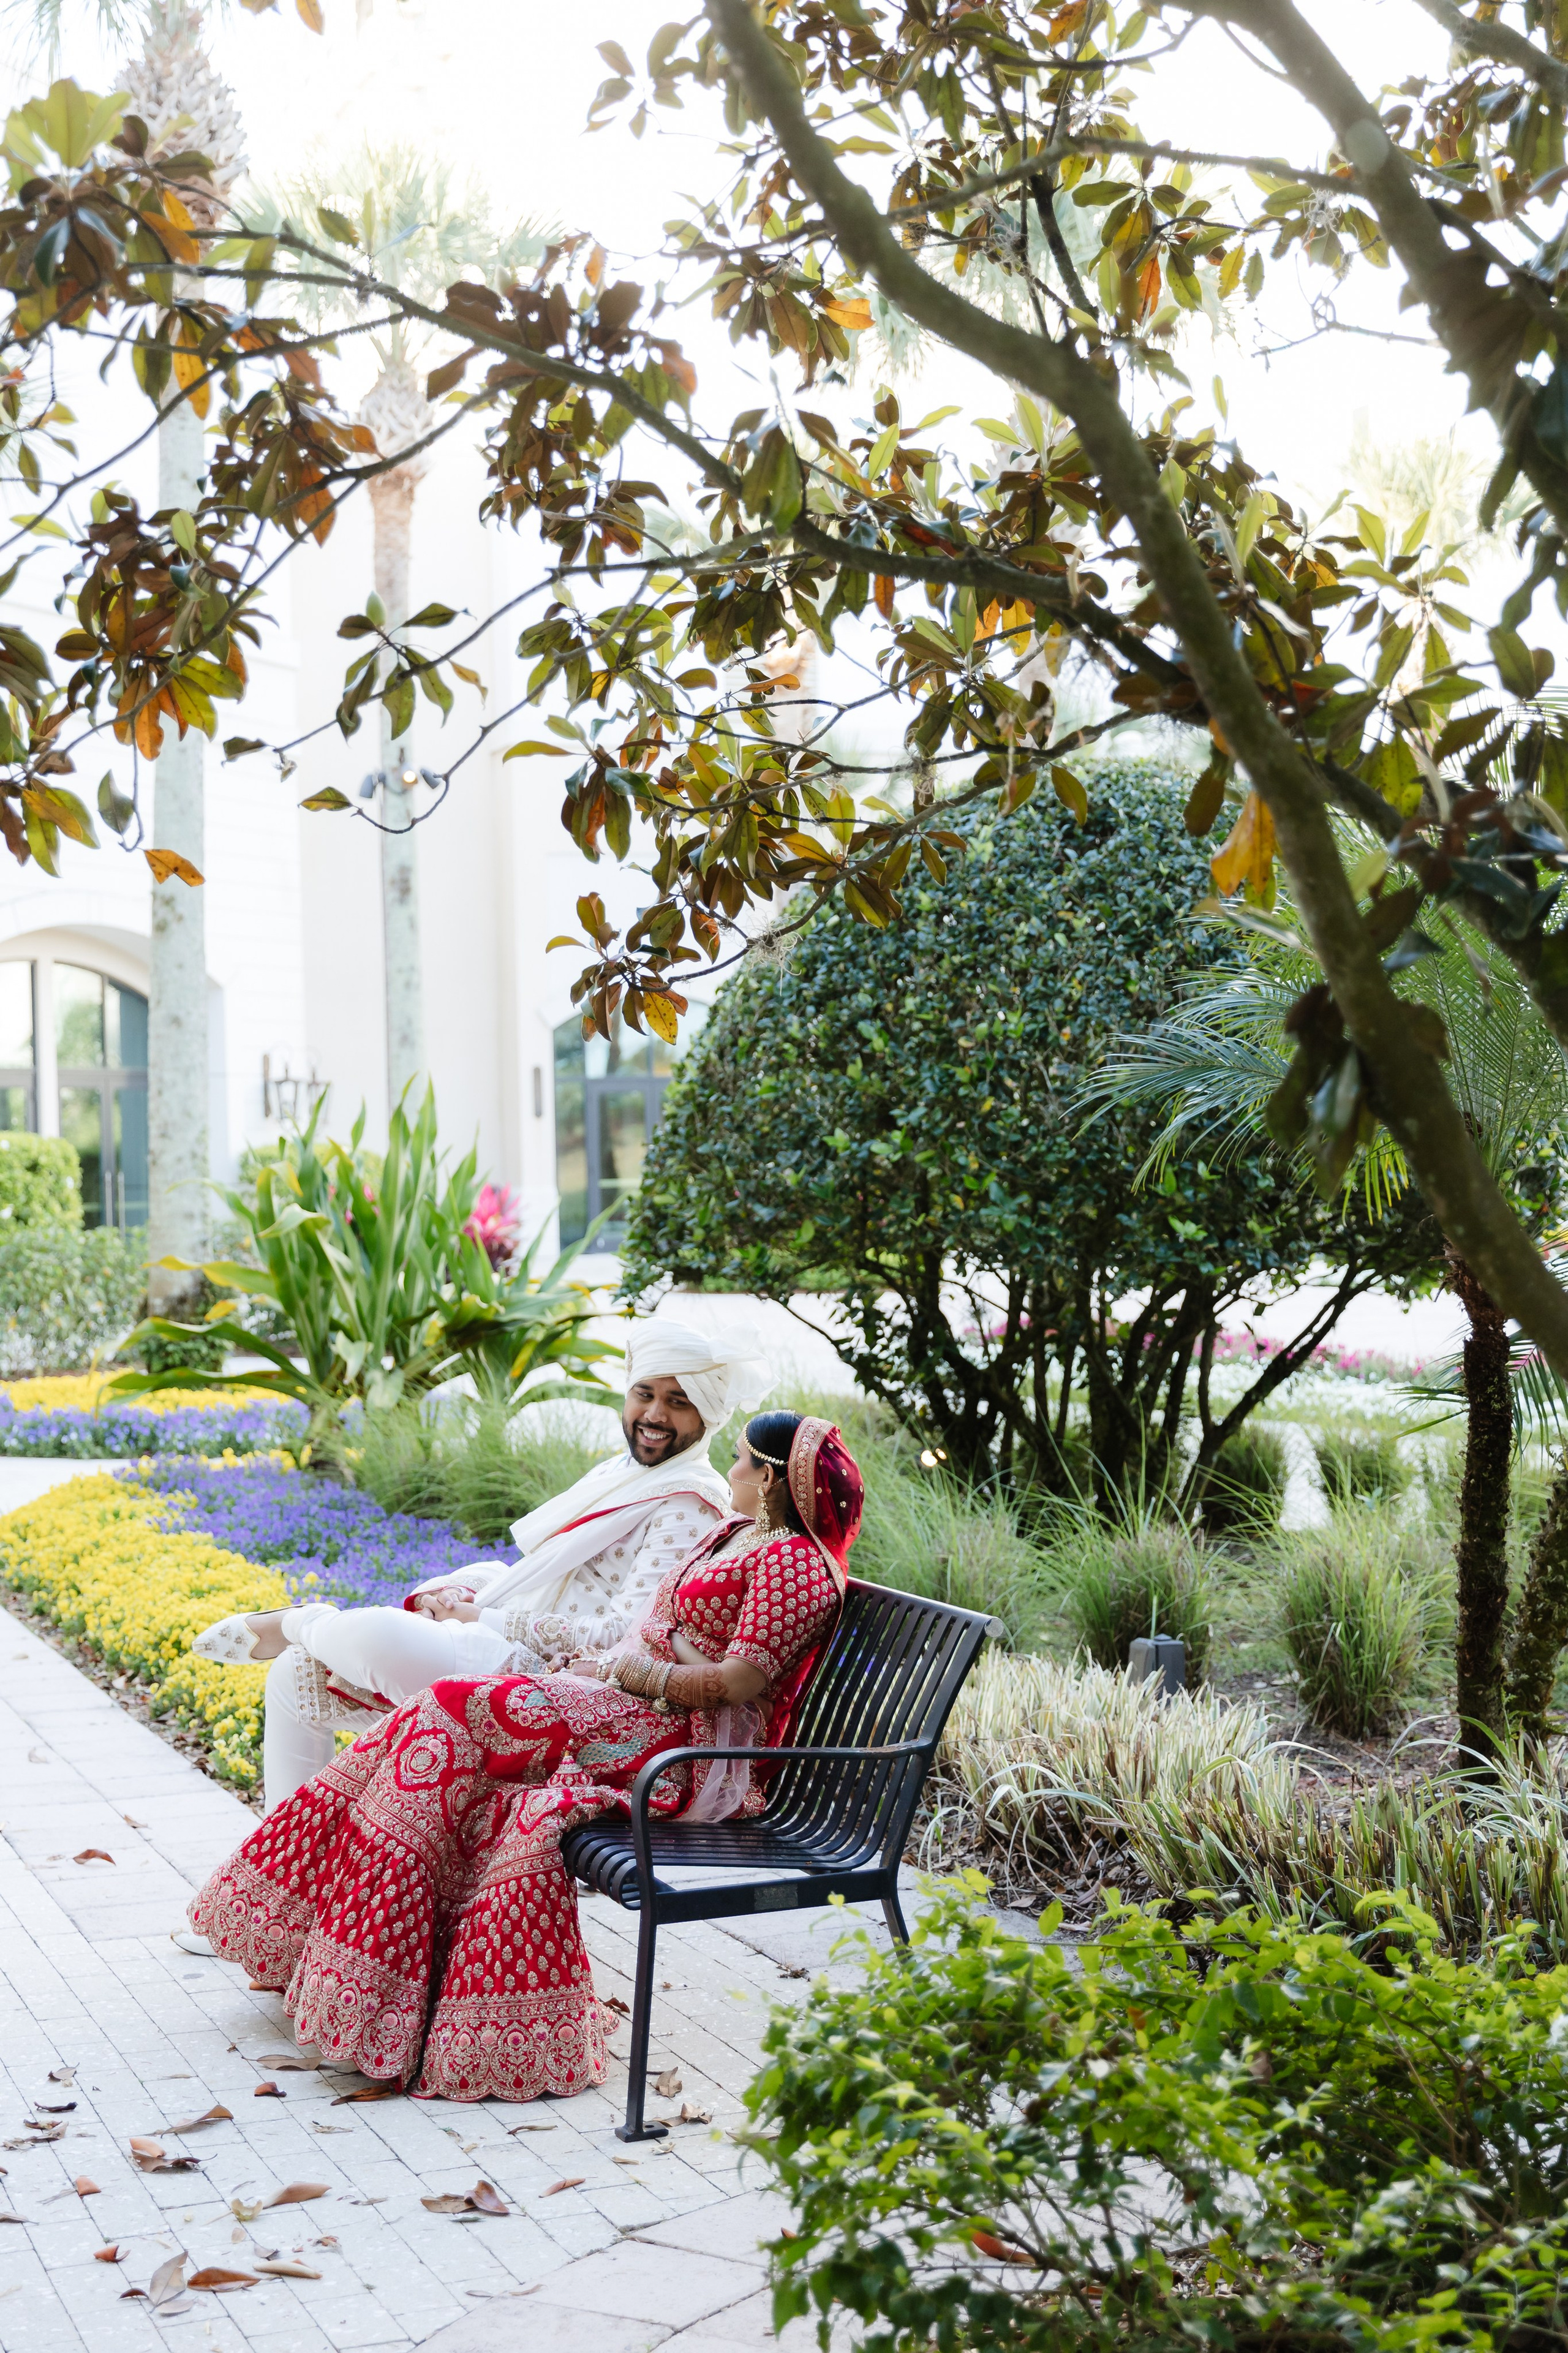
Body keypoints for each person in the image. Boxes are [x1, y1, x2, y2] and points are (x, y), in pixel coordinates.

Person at [187, 1413, 863, 2102]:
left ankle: (376, 1989)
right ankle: (340, 1964)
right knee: (435, 1719)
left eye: (746, 1462)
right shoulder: (739, 1533)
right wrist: (619, 1661)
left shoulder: (795, 1564)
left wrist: (633, 1670)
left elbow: (737, 1684)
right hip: (627, 1703)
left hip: (681, 1750)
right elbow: (668, 1634)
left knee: (449, 1715)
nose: (733, 1471)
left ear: (775, 1479)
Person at [192, 1320, 764, 1810]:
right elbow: (538, 1575)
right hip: (511, 1656)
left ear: (705, 1416)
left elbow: (620, 1638)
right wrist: (466, 1595)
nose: (655, 1413)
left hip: (556, 1692)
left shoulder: (689, 1503)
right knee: (294, 1676)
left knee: (372, 1635)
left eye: (678, 1401)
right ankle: (283, 1883)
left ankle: (298, 1619)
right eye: (645, 1393)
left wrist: (481, 1620)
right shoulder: (627, 1473)